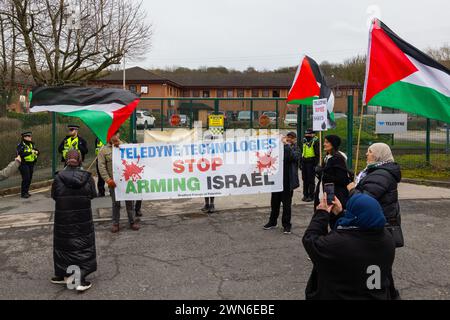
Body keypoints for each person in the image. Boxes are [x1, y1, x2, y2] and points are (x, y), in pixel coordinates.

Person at [302, 193, 395, 300]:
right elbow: (354, 231)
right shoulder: (387, 239)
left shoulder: (339, 244)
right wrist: (340, 214)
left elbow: (310, 240)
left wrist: (321, 213)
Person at [347, 142, 402, 299]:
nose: (366, 154)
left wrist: (352, 190)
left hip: (377, 229)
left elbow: (365, 201)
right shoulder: (376, 171)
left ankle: (379, 296)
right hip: (378, 225)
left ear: (378, 155)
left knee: (375, 268)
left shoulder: (381, 174)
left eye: (370, 151)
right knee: (380, 268)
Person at [51, 150, 97, 292]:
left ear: (66, 160)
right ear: (80, 160)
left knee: (65, 246)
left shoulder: (58, 178)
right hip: (82, 220)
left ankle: (64, 274)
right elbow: (92, 195)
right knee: (81, 247)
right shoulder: (87, 178)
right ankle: (78, 280)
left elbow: (54, 195)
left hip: (63, 219)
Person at [98, 130, 140, 233]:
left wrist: (120, 147)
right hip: (114, 182)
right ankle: (115, 223)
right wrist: (108, 180)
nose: (114, 136)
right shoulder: (103, 150)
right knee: (115, 203)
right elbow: (101, 167)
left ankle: (132, 221)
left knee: (130, 202)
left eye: (116, 134)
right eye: (112, 134)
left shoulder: (126, 146)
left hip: (126, 180)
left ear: (119, 134)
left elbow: (134, 159)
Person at [264, 132, 300, 234]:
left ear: (295, 140)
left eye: (292, 138)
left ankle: (286, 225)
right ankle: (272, 221)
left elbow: (293, 157)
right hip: (276, 180)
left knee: (286, 205)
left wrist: (286, 146)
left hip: (288, 182)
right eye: (288, 137)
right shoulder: (278, 148)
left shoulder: (296, 149)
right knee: (274, 203)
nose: (289, 139)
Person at [315, 135, 352, 210]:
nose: (324, 144)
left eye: (327, 142)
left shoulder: (338, 159)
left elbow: (342, 179)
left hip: (334, 195)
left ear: (333, 144)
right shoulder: (327, 157)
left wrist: (323, 173)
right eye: (324, 142)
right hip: (325, 191)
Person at [17, 131, 39, 199]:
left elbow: (36, 151)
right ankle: (23, 193)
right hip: (23, 163)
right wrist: (31, 152)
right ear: (24, 137)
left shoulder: (32, 144)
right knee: (26, 178)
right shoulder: (20, 145)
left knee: (29, 178)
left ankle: (26, 191)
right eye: (28, 136)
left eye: (30, 136)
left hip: (31, 163)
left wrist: (37, 152)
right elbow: (21, 153)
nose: (30, 137)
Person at [301, 129, 320, 202]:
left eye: (309, 134)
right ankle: (305, 194)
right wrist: (301, 162)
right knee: (304, 179)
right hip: (304, 162)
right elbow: (303, 152)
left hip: (311, 162)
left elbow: (317, 154)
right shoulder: (304, 141)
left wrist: (315, 164)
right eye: (306, 134)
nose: (307, 135)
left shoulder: (315, 142)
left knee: (310, 180)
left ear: (313, 134)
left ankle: (311, 195)